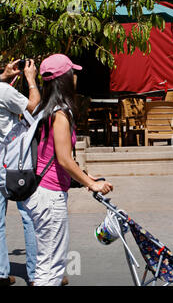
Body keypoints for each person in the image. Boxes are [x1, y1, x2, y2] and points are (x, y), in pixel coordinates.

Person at [23, 54, 113, 286]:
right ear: (64, 79)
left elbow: (51, 155)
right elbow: (63, 159)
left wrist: (83, 175)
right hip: (49, 197)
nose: (75, 78)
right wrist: (90, 183)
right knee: (51, 268)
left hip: (41, 192)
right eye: (72, 73)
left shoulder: (45, 108)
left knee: (48, 262)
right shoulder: (60, 114)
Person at [0, 59, 40, 286]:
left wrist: (4, 76)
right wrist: (31, 80)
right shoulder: (5, 92)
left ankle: (1, 273)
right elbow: (34, 107)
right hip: (13, 164)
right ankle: (36, 275)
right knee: (30, 216)